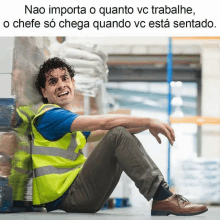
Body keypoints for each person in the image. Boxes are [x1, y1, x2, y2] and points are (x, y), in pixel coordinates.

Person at [32, 57, 208, 216]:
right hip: (70, 197)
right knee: (117, 133)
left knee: (119, 131)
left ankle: (163, 197)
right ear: (44, 92)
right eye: (53, 82)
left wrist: (146, 126)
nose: (61, 84)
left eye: (65, 78)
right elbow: (104, 124)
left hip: (79, 194)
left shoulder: (68, 125)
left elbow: (112, 130)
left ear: (73, 83)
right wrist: (148, 121)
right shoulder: (49, 116)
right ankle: (162, 197)